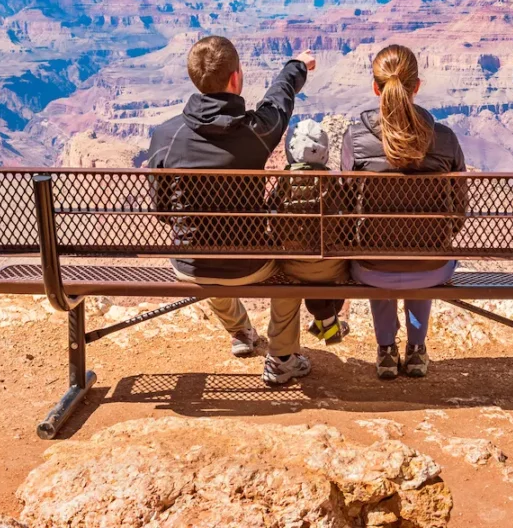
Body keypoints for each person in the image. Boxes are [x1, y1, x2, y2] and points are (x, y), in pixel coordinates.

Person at [146, 35, 317, 385]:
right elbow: (279, 99)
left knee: (206, 259)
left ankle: (241, 332)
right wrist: (297, 66)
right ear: (236, 79)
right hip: (249, 264)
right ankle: (282, 356)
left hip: (190, 264)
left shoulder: (167, 135)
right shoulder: (257, 131)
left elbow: (163, 211)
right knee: (295, 267)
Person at [340, 44, 466, 380]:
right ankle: (416, 350)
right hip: (432, 266)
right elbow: (459, 212)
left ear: (375, 88)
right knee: (420, 246)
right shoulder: (445, 139)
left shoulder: (355, 139)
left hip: (371, 268)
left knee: (377, 245)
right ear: (417, 86)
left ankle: (385, 350)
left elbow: (344, 208)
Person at [276, 119, 350, 344]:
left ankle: (326, 322)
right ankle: (327, 322)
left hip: (292, 264)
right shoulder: (333, 185)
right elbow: (346, 227)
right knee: (325, 266)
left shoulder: (283, 184)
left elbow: (276, 224)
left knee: (306, 262)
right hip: (332, 266)